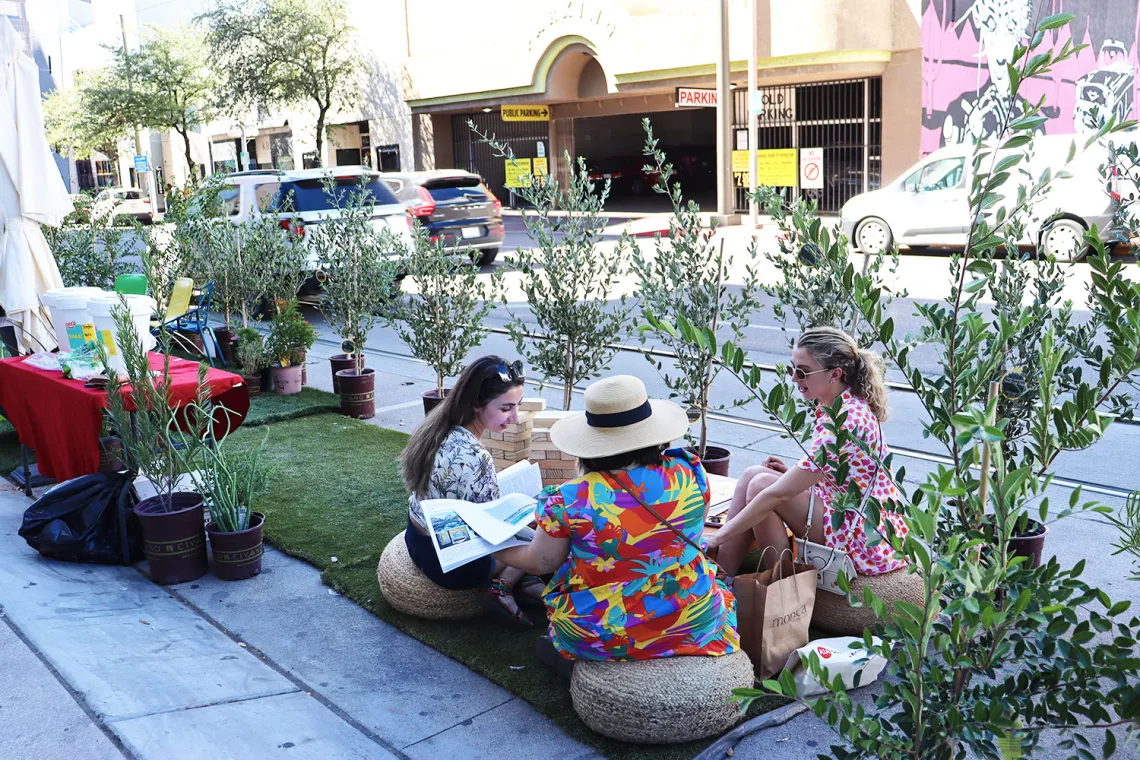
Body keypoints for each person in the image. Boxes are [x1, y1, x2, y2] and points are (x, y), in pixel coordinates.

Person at [495, 375, 739, 668]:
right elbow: (695, 526)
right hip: (693, 617)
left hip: (604, 630)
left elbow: (541, 563)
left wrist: (490, 547)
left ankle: (582, 657)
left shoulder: (570, 499)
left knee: (568, 612)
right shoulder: (689, 471)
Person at [707, 327, 908, 577]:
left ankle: (783, 586)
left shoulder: (844, 420)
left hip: (861, 534)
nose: (794, 379)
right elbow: (841, 471)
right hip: (850, 512)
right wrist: (797, 475)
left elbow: (778, 495)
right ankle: (721, 577)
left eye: (802, 372)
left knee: (762, 486)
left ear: (835, 374)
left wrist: (718, 537)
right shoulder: (843, 403)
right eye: (793, 369)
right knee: (752, 474)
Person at [400, 355, 543, 627]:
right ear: (477, 405)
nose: (514, 417)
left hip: (417, 542)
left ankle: (525, 582)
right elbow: (493, 529)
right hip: (454, 566)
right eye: (506, 408)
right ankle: (504, 584)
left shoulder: (435, 430)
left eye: (518, 406)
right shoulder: (476, 456)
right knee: (540, 535)